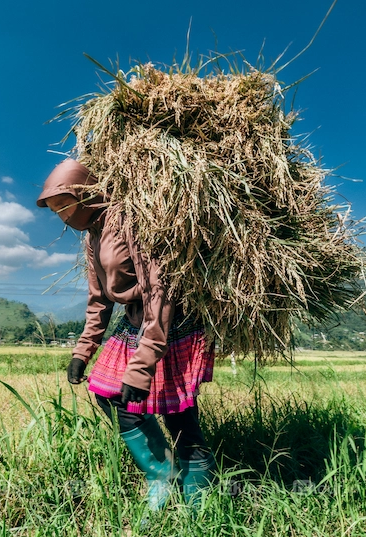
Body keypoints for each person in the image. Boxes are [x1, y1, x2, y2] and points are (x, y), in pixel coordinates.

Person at [36, 158, 218, 510]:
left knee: (176, 412)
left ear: (85, 195)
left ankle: (201, 490)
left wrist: (143, 364)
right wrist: (82, 350)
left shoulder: (130, 220)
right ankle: (161, 475)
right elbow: (99, 298)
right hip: (135, 323)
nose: (62, 216)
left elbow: (158, 290)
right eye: (56, 210)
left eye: (64, 204)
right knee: (112, 395)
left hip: (170, 321)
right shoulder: (92, 236)